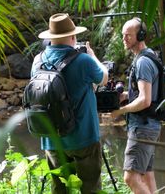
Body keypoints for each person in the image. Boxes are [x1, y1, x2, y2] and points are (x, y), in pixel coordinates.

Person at [31, 13, 108, 194]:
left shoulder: (37, 61)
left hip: (52, 139)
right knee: (91, 188)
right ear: (73, 36)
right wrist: (93, 56)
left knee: (60, 189)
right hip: (84, 138)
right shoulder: (84, 61)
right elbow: (103, 79)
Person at [111, 17, 161, 194]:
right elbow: (144, 94)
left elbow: (145, 100)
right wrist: (125, 96)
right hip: (149, 125)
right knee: (147, 174)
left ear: (140, 35)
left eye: (128, 35)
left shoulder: (143, 62)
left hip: (143, 126)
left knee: (131, 177)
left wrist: (120, 110)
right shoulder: (148, 56)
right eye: (123, 35)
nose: (124, 39)